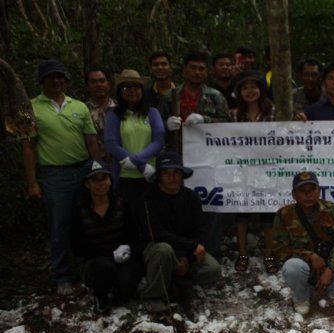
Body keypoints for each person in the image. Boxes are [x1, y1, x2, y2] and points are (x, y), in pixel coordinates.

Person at [24, 59, 101, 295]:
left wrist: (98, 169)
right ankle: (63, 275)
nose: (56, 81)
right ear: (42, 81)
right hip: (55, 175)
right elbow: (28, 147)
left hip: (84, 170)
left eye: (60, 77)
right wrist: (32, 182)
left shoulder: (79, 106)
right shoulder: (32, 107)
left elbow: (91, 140)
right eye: (51, 77)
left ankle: (90, 269)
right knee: (60, 225)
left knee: (90, 220)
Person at [273, 171, 334, 315]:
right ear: (294, 194)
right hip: (303, 265)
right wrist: (310, 256)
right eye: (302, 191)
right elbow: (280, 249)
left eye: (312, 190)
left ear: (319, 191)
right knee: (291, 267)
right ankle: (301, 297)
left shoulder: (331, 209)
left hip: (329, 263)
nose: (308, 195)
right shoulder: (284, 214)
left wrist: (330, 269)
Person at [140, 152, 222, 313]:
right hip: (159, 248)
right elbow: (157, 234)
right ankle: (153, 295)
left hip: (186, 250)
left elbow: (200, 231)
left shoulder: (192, 197)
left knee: (213, 269)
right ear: (159, 176)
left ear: (182, 175)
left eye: (176, 173)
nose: (172, 178)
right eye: (167, 173)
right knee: (164, 250)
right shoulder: (148, 198)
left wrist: (189, 258)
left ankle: (175, 283)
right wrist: (192, 247)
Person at [71, 160, 141, 313]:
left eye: (104, 178)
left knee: (127, 282)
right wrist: (109, 254)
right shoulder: (79, 210)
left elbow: (134, 235)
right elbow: (78, 246)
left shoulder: (122, 204)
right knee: (103, 268)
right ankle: (100, 299)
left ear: (110, 180)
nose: (101, 183)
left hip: (122, 258)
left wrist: (127, 248)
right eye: (95, 180)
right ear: (87, 184)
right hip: (94, 261)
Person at [230, 71, 278, 274]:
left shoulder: (273, 111)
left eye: (253, 86)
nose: (250, 91)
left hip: (268, 171)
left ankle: (269, 254)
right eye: (244, 88)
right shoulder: (233, 115)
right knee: (242, 215)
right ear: (239, 92)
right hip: (242, 172)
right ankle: (242, 254)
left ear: (261, 89)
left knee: (268, 215)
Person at [104, 69, 165, 217]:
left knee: (150, 218)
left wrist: (138, 162)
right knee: (128, 219)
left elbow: (159, 140)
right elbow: (111, 144)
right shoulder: (113, 115)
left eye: (136, 87)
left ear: (142, 90)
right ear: (120, 91)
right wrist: (141, 165)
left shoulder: (152, 112)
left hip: (150, 175)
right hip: (125, 177)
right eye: (126, 87)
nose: (132, 91)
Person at [160, 51, 230, 152]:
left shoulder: (215, 96)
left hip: (207, 150)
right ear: (184, 69)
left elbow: (227, 124)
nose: (197, 72)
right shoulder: (170, 95)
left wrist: (205, 120)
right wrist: (167, 124)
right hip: (176, 151)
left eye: (201, 69)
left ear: (206, 72)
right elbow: (156, 124)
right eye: (193, 68)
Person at [84, 68, 116, 152]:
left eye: (102, 81)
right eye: (93, 82)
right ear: (87, 87)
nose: (98, 85)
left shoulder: (119, 108)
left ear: (108, 85)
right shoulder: (83, 110)